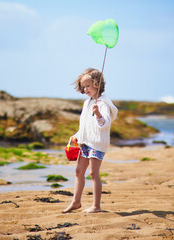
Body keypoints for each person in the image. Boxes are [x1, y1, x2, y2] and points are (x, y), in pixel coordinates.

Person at [63, 68, 118, 213]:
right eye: (83, 86)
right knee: (79, 171)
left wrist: (98, 113)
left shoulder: (103, 103)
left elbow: (104, 124)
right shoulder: (87, 103)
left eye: (88, 85)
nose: (85, 89)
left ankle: (96, 206)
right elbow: (85, 125)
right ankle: (76, 201)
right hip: (85, 142)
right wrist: (77, 135)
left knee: (94, 173)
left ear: (97, 84)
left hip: (97, 143)